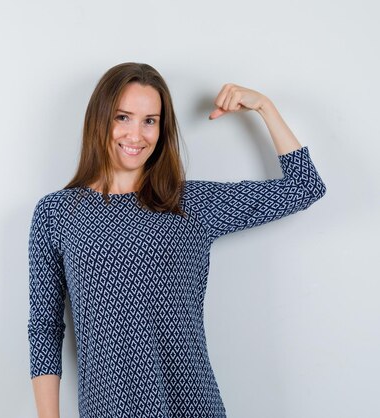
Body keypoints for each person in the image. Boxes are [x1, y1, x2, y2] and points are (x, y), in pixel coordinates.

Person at [27, 62, 326, 418]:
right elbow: (44, 328)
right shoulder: (57, 214)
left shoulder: (189, 204)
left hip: (195, 406)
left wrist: (264, 106)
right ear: (100, 119)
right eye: (123, 117)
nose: (136, 134)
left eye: (149, 120)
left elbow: (305, 187)